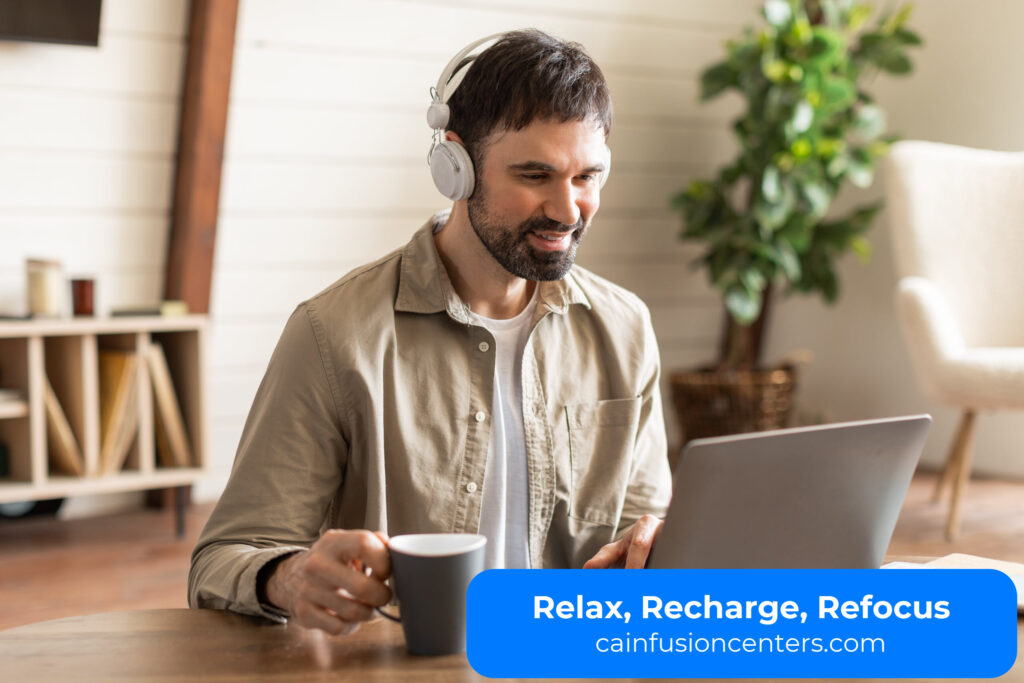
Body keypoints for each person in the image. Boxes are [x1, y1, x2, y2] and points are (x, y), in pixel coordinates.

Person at [188, 29, 671, 637]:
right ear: (455, 167)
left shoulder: (625, 328)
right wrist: (288, 577)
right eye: (535, 175)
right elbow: (222, 560)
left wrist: (654, 544)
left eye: (587, 177)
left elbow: (642, 526)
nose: (567, 210)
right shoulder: (334, 334)